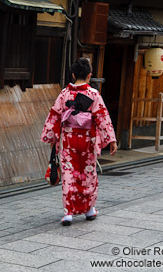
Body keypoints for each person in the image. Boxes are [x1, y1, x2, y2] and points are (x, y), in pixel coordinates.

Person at [41, 57, 117, 226]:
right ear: (90, 76)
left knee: (69, 175)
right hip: (87, 141)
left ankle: (68, 212)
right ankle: (89, 209)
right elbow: (102, 117)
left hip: (68, 140)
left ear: (73, 75)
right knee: (88, 174)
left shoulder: (64, 94)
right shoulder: (93, 94)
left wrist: (50, 136)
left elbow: (54, 114)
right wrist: (111, 140)